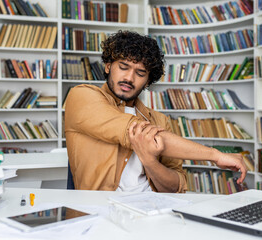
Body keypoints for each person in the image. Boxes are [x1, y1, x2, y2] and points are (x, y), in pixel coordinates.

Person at [64, 30, 247, 193]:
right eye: (123, 67)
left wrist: (150, 162)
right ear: (108, 66)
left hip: (153, 212)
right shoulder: (81, 96)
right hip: (101, 215)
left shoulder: (159, 120)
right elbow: (137, 133)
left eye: (140, 73)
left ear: (147, 81)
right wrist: (215, 155)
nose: (129, 78)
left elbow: (176, 186)